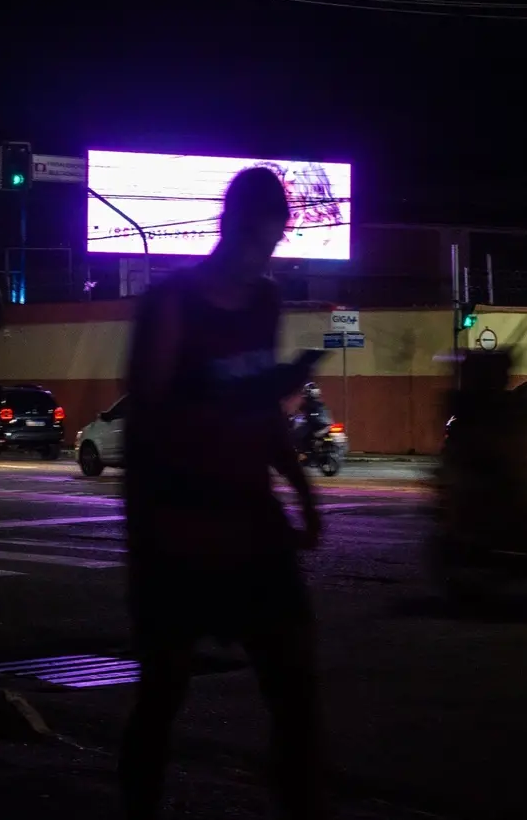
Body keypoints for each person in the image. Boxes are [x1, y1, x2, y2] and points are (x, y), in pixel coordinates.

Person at [118, 166, 327, 820]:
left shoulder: (265, 301)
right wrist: (146, 533)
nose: (258, 255)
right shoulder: (174, 303)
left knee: (294, 681)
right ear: (227, 226)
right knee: (165, 688)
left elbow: (263, 407)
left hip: (248, 516)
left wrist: (300, 489)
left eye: (269, 243)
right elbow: (148, 418)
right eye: (251, 240)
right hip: (179, 522)